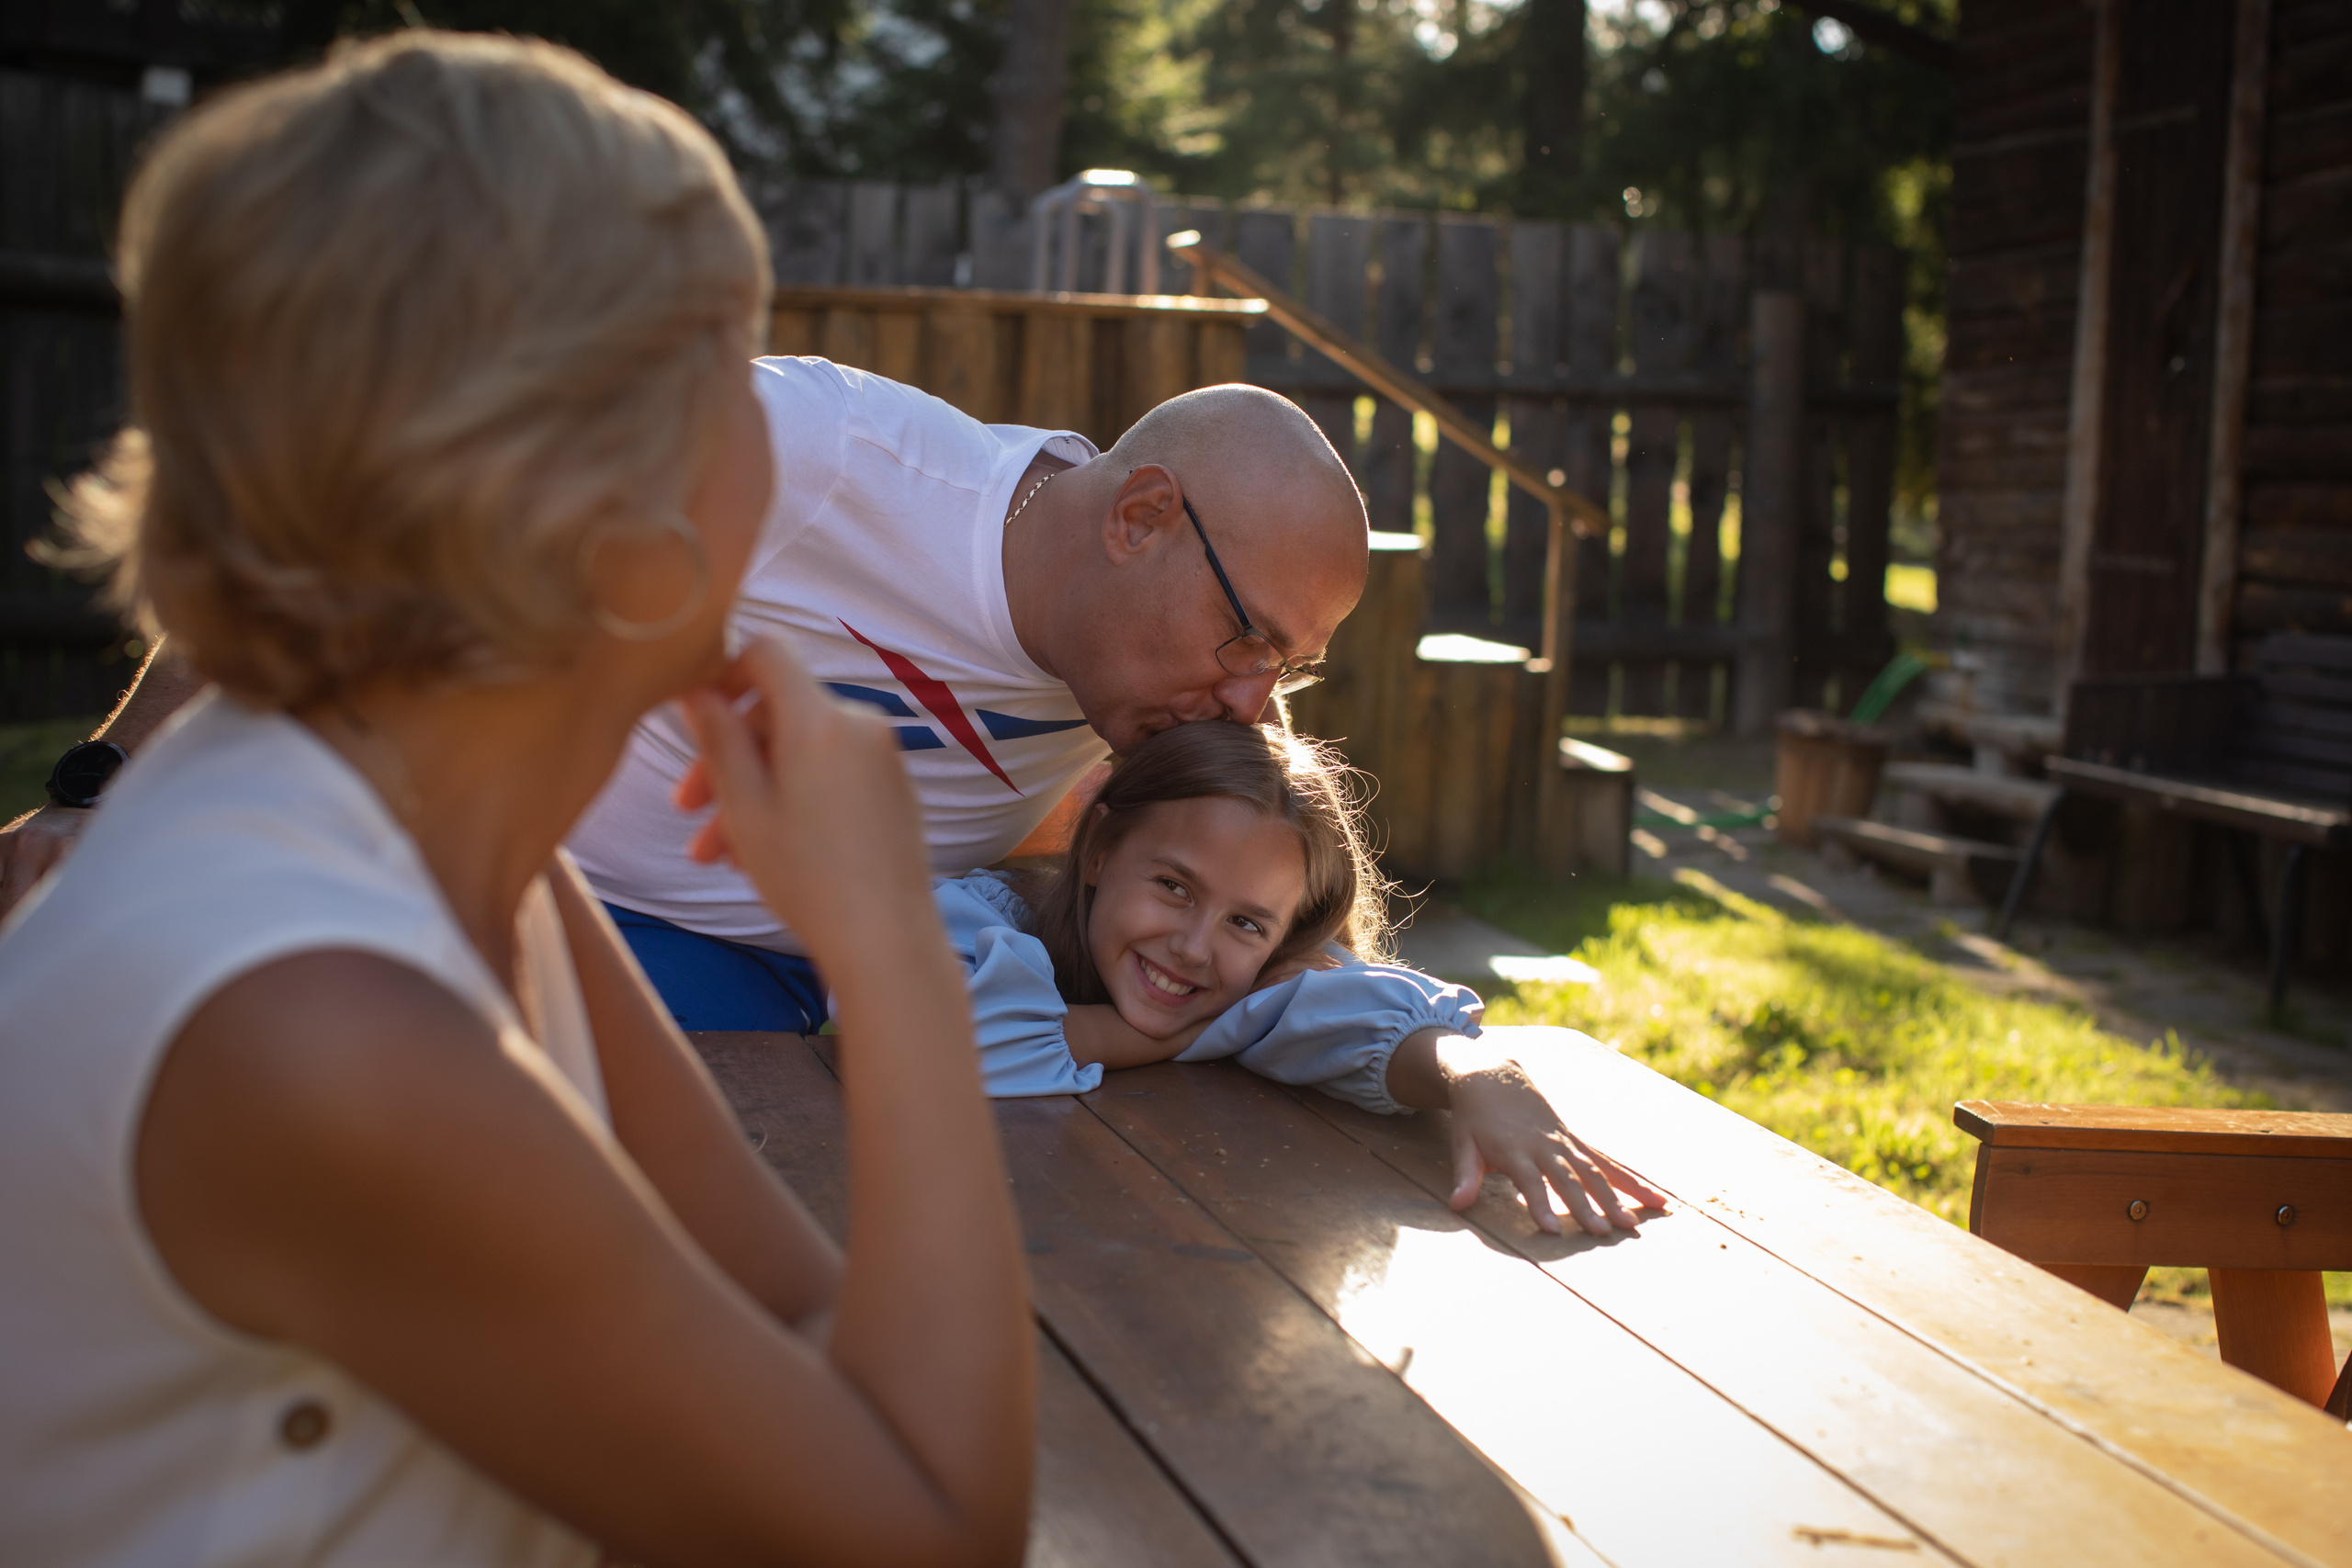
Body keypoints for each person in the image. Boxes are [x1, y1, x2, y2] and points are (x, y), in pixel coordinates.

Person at [0, 32, 1031, 1568]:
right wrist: (891, 946)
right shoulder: (316, 1021)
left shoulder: (449, 852)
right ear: (619, 514)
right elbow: (927, 1534)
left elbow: (801, 1325)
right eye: (735, 375)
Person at [0, 376, 1376, 1045]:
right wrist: (107, 790)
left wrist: (1443, 1060)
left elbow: (1278, 907)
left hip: (814, 1005)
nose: (1255, 698)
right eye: (1248, 637)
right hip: (516, 920)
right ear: (1140, 517)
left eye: (1291, 665)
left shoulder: (1166, 698)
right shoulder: (805, 453)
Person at [928, 720, 1669, 1236]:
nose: (1193, 948)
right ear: (1098, 850)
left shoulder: (1261, 978)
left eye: (1247, 923)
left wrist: (1478, 1072)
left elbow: (1360, 1008)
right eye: (1174, 886)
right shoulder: (975, 921)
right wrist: (1184, 1032)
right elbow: (948, 1045)